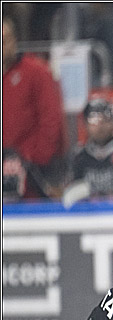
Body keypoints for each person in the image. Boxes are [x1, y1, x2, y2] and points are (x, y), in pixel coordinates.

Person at [2, 15, 68, 200]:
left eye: (4, 40)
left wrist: (34, 157)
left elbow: (51, 119)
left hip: (35, 169)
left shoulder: (36, 71)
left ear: (14, 41)